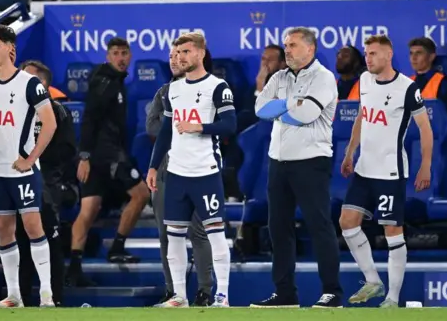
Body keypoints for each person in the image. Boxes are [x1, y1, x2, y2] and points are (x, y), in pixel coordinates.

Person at [0, 25, 57, 307]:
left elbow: (50, 123)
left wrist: (30, 159)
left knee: (32, 226)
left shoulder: (30, 83)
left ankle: (47, 295)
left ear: (10, 49)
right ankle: (14, 295)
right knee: (4, 229)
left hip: (23, 170)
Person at [251, 27, 343, 308]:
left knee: (319, 226)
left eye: (292, 45)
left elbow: (306, 115)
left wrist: (282, 109)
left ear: (310, 49)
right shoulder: (279, 76)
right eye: (286, 45)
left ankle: (332, 292)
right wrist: (292, 104)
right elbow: (259, 109)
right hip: (278, 162)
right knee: (278, 228)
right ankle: (285, 293)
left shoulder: (323, 78)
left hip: (311, 162)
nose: (286, 50)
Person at [340, 34, 433, 308]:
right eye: (366, 54)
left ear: (388, 55)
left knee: (393, 231)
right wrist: (349, 152)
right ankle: (373, 281)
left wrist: (425, 166)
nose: (367, 58)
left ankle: (393, 298)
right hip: (363, 169)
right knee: (347, 222)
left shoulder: (408, 88)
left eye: (373, 54)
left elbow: (425, 130)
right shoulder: (365, 81)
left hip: (391, 172)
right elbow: (361, 116)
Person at [146, 32, 236, 308]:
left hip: (206, 172)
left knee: (215, 234)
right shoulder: (173, 89)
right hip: (176, 173)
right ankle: (179, 297)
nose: (181, 57)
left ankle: (222, 296)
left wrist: (201, 127)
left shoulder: (218, 87)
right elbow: (165, 132)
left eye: (186, 52)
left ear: (200, 53)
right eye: (177, 52)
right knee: (173, 236)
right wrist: (152, 166)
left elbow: (231, 125)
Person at [66, 37, 151, 286]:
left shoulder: (113, 80)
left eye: (125, 53)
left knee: (90, 208)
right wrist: (84, 157)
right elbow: (91, 118)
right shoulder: (104, 82)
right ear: (108, 56)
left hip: (102, 156)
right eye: (116, 53)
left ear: (131, 56)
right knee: (141, 194)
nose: (121, 58)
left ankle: (75, 266)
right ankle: (117, 246)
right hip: (108, 156)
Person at [16, 60, 79, 306]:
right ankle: (19, 297)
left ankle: (55, 299)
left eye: (27, 78)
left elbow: (67, 150)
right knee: (20, 241)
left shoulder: (57, 111)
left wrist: (35, 156)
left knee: (49, 242)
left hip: (48, 186)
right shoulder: (17, 111)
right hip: (18, 181)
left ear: (42, 84)